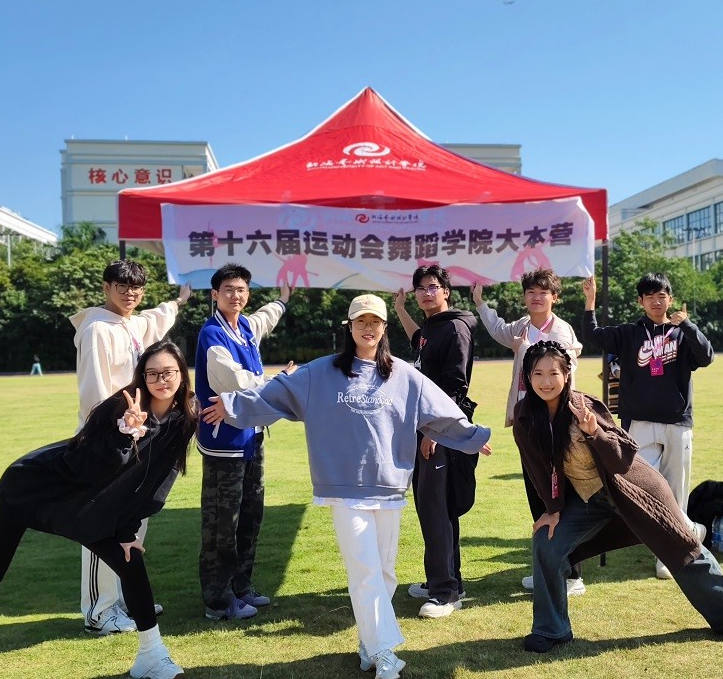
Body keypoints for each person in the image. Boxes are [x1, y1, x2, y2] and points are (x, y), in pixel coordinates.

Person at [202, 294, 491, 679]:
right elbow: (277, 391)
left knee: (385, 573)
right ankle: (385, 653)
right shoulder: (321, 372)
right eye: (360, 321)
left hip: (389, 489)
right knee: (365, 570)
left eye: (375, 322)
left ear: (384, 328)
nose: (368, 328)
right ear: (350, 327)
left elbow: (439, 408)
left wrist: (470, 436)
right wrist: (234, 404)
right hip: (343, 490)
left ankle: (369, 644)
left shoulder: (403, 375)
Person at [513, 340, 723, 653]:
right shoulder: (525, 416)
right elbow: (537, 468)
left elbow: (622, 460)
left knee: (680, 545)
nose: (546, 381)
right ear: (528, 377)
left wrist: (595, 434)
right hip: (588, 500)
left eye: (554, 373)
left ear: (567, 375)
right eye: (538, 373)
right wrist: (551, 509)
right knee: (546, 543)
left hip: (633, 490)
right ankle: (552, 629)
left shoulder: (584, 407)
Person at [0, 340, 198, 678]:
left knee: (131, 563)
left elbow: (159, 477)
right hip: (32, 485)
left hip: (84, 503)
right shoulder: (122, 407)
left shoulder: (184, 415)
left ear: (181, 373)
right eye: (152, 373)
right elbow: (87, 468)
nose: (161, 380)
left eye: (168, 372)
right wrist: (125, 433)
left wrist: (128, 530)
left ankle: (151, 656)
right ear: (142, 376)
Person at [70, 259, 191, 634]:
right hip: (108, 441)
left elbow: (157, 317)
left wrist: (179, 301)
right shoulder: (97, 330)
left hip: (140, 436)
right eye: (121, 286)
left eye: (136, 287)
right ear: (106, 287)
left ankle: (125, 599)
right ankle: (99, 611)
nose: (130, 293)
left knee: (131, 524)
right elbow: (94, 394)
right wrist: (115, 433)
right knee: (102, 526)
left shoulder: (134, 324)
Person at [582, 273, 713, 579]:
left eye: (662, 296)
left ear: (670, 299)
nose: (656, 302)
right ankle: (689, 530)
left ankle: (668, 555)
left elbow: (706, 356)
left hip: (677, 422)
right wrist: (590, 302)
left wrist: (688, 325)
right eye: (650, 297)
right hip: (639, 422)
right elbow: (593, 336)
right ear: (640, 301)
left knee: (676, 490)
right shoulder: (629, 333)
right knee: (641, 487)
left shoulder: (681, 333)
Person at [472, 268, 586, 595]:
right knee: (537, 492)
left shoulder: (561, 331)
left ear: (554, 297)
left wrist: (524, 350)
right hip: (528, 420)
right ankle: (549, 570)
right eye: (531, 292)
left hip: (555, 421)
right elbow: (498, 330)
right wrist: (480, 303)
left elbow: (564, 372)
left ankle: (572, 575)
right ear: (524, 297)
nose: (536, 298)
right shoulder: (522, 326)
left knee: (561, 494)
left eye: (543, 292)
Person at [195, 263, 293, 621]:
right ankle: (218, 600)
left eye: (241, 290)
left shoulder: (246, 326)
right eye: (228, 290)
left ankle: (241, 585)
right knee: (223, 522)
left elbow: (267, 317)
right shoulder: (212, 335)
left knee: (251, 514)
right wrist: (277, 382)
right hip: (224, 441)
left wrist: (283, 299)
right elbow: (235, 381)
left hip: (251, 436)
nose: (235, 296)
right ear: (215, 295)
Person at [393, 265, 479, 619]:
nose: (427, 293)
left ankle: (446, 594)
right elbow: (419, 341)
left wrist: (433, 431)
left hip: (440, 430)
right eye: (421, 288)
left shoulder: (456, 328)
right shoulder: (432, 326)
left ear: (446, 291)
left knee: (436, 509)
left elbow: (456, 387)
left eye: (433, 287)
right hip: (425, 427)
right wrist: (400, 310)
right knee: (436, 507)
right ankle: (445, 580)